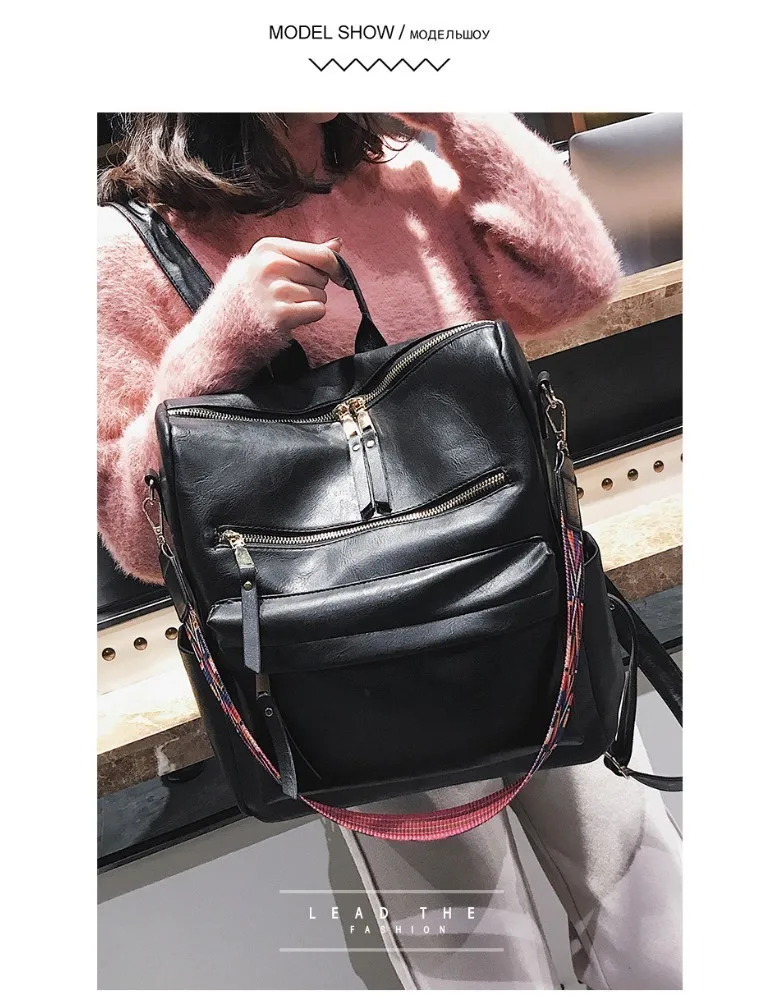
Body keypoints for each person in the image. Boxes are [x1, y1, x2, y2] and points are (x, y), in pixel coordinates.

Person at [97, 112, 681, 989]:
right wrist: (221, 345)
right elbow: (136, 537)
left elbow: (576, 286)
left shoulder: (401, 178)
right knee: (479, 962)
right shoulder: (126, 249)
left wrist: (454, 112)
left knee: (654, 911)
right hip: (342, 654)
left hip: (518, 602)